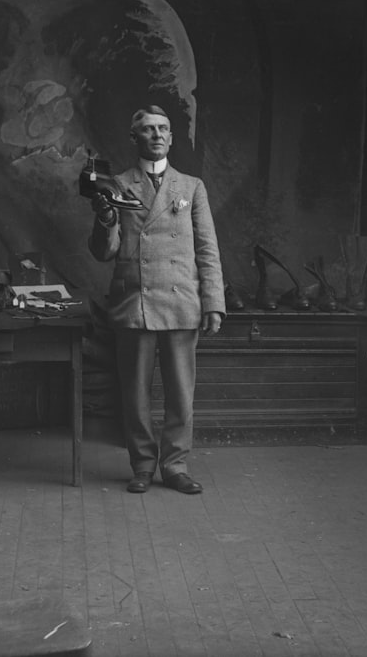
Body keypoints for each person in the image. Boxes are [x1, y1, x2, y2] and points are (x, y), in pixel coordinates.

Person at [88, 105, 226, 494]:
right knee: (135, 394)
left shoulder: (192, 187)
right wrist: (106, 220)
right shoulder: (115, 185)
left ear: (171, 137)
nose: (157, 135)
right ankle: (143, 466)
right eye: (148, 130)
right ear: (135, 138)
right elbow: (104, 252)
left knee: (181, 394)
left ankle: (175, 465)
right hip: (136, 301)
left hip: (182, 300)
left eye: (163, 129)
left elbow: (208, 249)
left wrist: (213, 301)